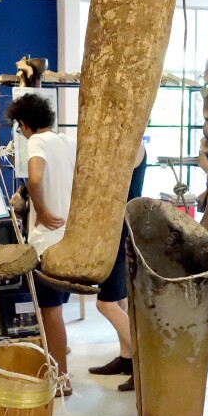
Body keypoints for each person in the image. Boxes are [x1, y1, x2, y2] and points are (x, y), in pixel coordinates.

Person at [4, 93, 77, 395]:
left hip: (47, 241)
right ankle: (57, 366)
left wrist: (43, 211)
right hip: (69, 238)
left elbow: (35, 179)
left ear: (24, 123)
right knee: (55, 310)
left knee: (50, 312)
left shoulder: (37, 142)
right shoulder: (68, 142)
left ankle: (61, 378)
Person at [88, 141, 146, 391]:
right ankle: (126, 359)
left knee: (106, 304)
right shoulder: (128, 142)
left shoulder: (133, 145)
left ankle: (144, 363)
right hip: (115, 228)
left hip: (121, 228)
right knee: (119, 301)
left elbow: (112, 186)